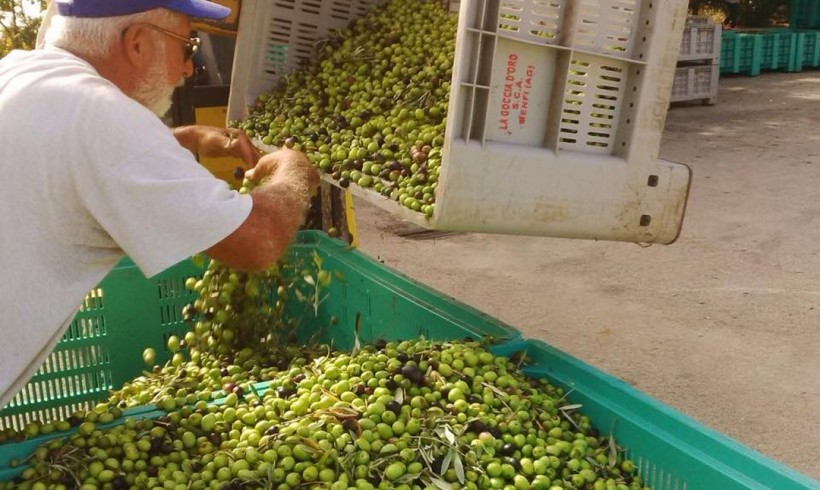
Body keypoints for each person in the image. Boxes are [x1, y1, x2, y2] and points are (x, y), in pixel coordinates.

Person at [0, 0, 320, 409]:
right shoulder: (103, 116)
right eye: (186, 45)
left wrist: (181, 138)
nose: (188, 68)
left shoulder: (23, 71)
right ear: (136, 44)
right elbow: (258, 242)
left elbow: (81, 162)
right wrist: (294, 171)